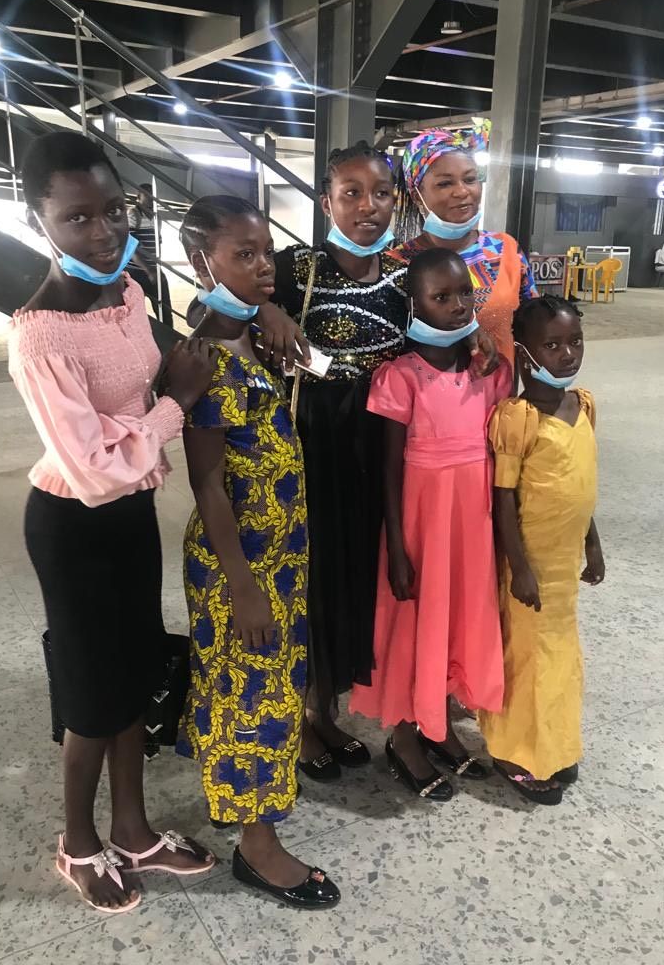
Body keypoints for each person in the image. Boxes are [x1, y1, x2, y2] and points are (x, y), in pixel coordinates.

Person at [8, 132, 218, 913]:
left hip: (131, 516)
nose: (104, 232)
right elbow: (95, 462)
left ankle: (133, 830)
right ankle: (78, 843)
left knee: (134, 670)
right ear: (40, 223)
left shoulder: (126, 291)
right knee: (92, 697)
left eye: (115, 210)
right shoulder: (39, 334)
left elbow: (155, 373)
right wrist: (178, 405)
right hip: (74, 525)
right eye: (78, 218)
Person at [177, 194, 340, 909]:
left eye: (265, 251)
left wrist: (265, 309)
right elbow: (207, 482)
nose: (264, 266)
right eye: (243, 255)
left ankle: (249, 806)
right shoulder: (205, 358)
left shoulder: (253, 334)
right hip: (237, 563)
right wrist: (241, 584)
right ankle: (257, 846)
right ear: (199, 260)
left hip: (281, 554)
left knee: (267, 688)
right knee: (253, 696)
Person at [349, 249, 510, 799]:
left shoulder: (485, 372)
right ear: (413, 304)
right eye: (442, 297)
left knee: (455, 620)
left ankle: (436, 720)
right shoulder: (400, 378)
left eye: (465, 293)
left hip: (469, 528)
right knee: (414, 624)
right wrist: (397, 546)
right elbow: (389, 471)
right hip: (420, 528)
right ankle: (403, 737)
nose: (458, 305)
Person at [269, 141, 407, 780]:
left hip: (381, 450)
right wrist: (266, 309)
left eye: (380, 193)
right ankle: (303, 718)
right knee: (311, 584)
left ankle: (328, 708)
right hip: (312, 449)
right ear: (326, 201)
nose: (367, 206)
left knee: (358, 579)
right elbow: (210, 300)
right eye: (350, 192)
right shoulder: (294, 266)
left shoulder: (409, 274)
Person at [479, 295, 605, 805]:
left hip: (565, 562)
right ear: (524, 353)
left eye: (574, 341)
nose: (567, 354)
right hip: (530, 564)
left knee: (559, 657)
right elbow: (503, 498)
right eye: (551, 345)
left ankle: (551, 744)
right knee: (528, 658)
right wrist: (519, 567)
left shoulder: (585, 405)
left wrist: (593, 544)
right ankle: (515, 752)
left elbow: (583, 485)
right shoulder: (518, 417)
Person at [389, 122, 537, 362]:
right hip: (425, 397)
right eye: (445, 183)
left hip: (500, 397)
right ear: (417, 195)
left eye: (470, 179)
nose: (462, 192)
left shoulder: (505, 250)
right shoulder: (397, 264)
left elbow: (532, 332)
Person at [127, 182, 174, 324]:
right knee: (133, 312)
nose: (150, 198)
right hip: (135, 271)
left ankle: (169, 339)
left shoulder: (156, 218)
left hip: (153, 268)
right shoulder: (133, 214)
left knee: (165, 310)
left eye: (152, 195)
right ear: (138, 197)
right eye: (146, 195)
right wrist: (149, 270)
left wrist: (155, 268)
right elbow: (131, 246)